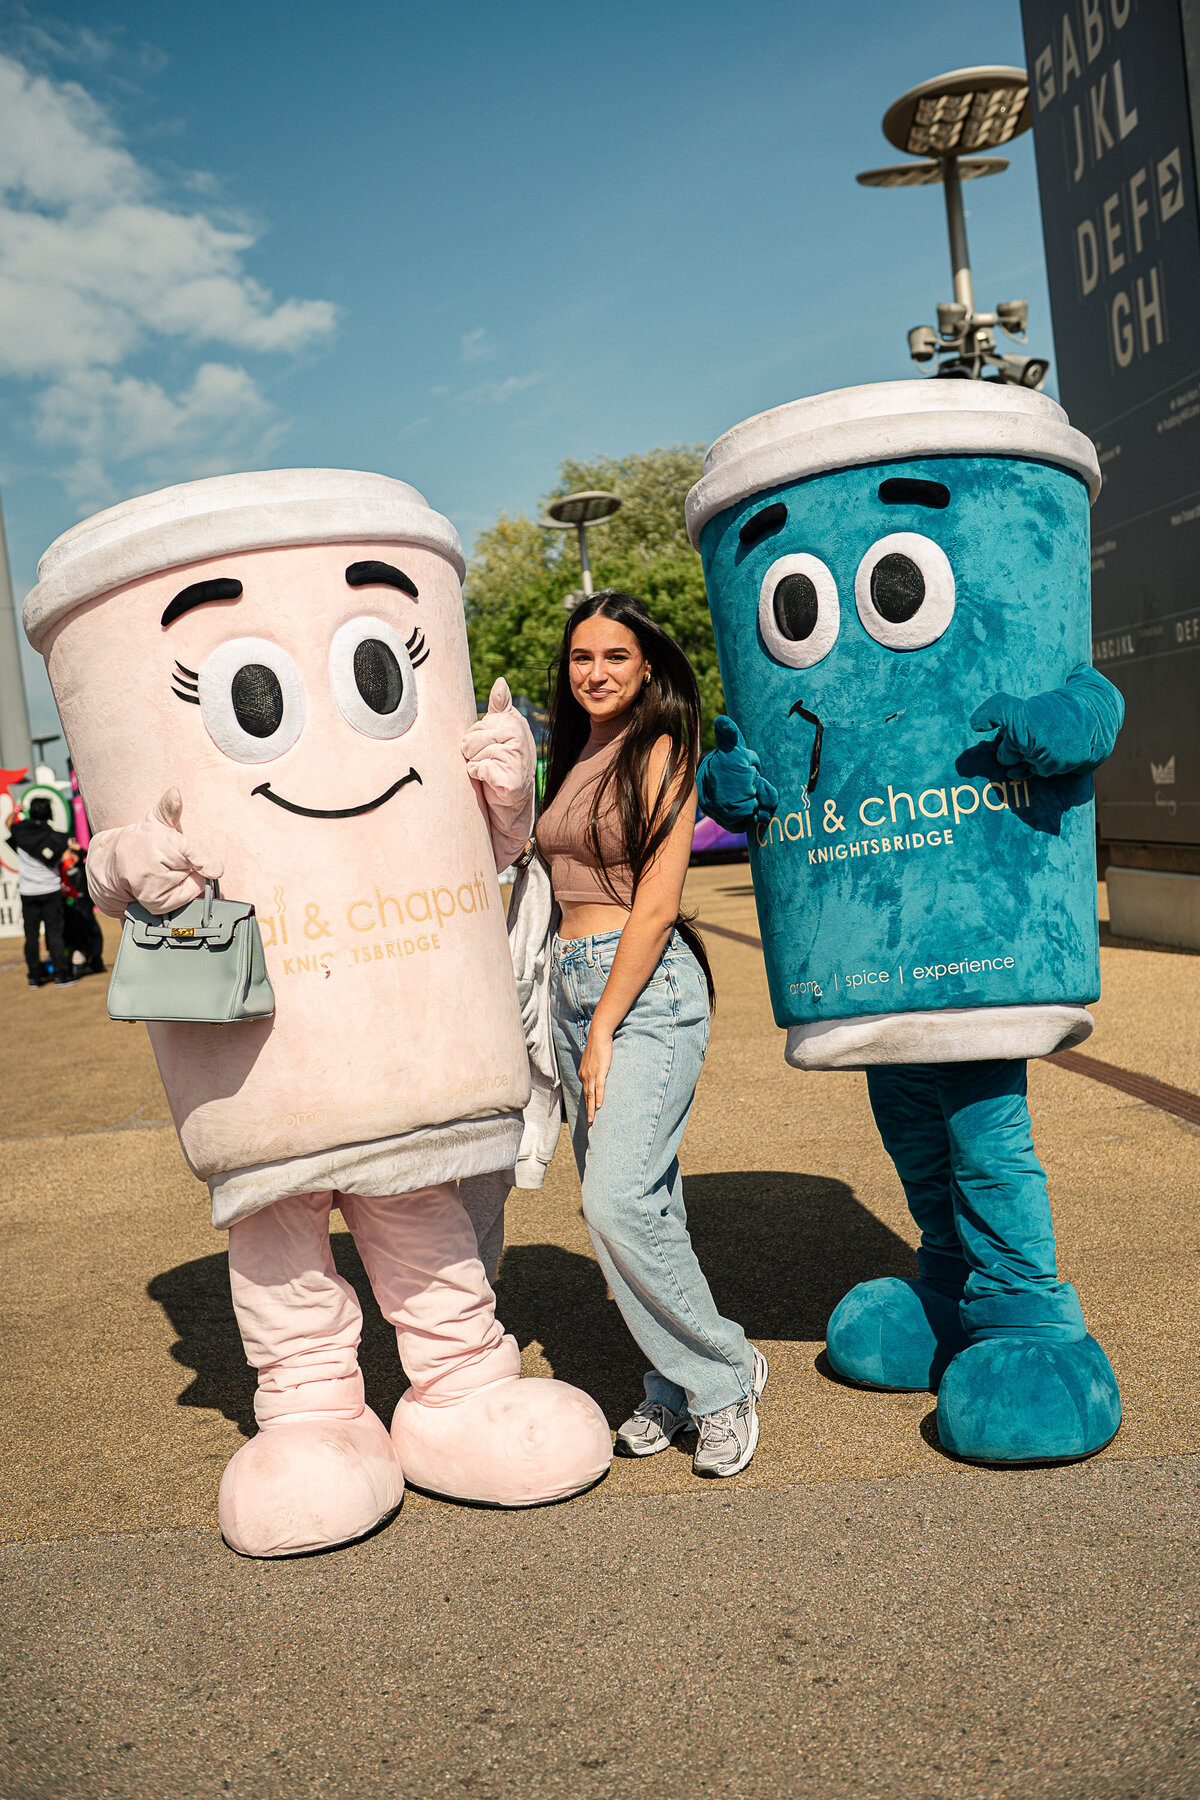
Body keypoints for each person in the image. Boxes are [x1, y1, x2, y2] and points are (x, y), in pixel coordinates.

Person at [537, 590, 767, 1478]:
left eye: (615, 659)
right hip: (572, 985)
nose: (595, 674)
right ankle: (672, 1382)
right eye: (582, 657)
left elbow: (658, 904)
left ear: (648, 670)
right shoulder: (578, 749)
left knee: (616, 1201)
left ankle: (724, 1374)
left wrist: (600, 1027)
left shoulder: (661, 750)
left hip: (643, 994)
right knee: (643, 1202)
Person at [7, 796, 73, 987]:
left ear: (31, 812)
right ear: (49, 814)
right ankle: (62, 975)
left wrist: (17, 810)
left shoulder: (20, 831)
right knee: (55, 934)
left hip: (28, 892)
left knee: (31, 936)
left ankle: (34, 977)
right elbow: (67, 862)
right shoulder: (56, 837)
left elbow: (8, 823)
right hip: (51, 890)